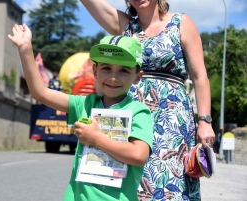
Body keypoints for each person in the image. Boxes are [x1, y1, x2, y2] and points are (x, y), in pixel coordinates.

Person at [80, 0, 216, 200]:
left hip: (171, 118)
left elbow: (199, 76)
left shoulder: (181, 22)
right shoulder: (125, 25)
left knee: (168, 179)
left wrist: (205, 121)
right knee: (129, 177)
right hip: (130, 114)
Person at [8, 25, 153, 201]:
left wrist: (95, 139)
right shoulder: (84, 103)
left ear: (137, 77)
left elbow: (139, 155)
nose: (113, 77)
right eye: (106, 68)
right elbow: (41, 93)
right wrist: (25, 49)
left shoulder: (139, 111)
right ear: (95, 70)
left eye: (124, 70)